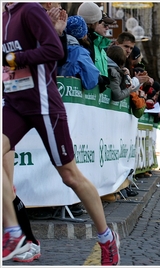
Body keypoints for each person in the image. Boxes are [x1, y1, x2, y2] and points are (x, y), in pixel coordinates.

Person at [2, 3, 120, 265]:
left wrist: (14, 59)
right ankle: (13, 234)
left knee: (70, 176)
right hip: (14, 103)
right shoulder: (4, 17)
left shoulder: (29, 10)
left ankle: (106, 237)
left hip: (44, 106)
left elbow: (54, 51)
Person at [58, 15, 100, 90]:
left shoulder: (55, 47)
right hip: (71, 96)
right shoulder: (80, 52)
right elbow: (91, 81)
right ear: (83, 35)